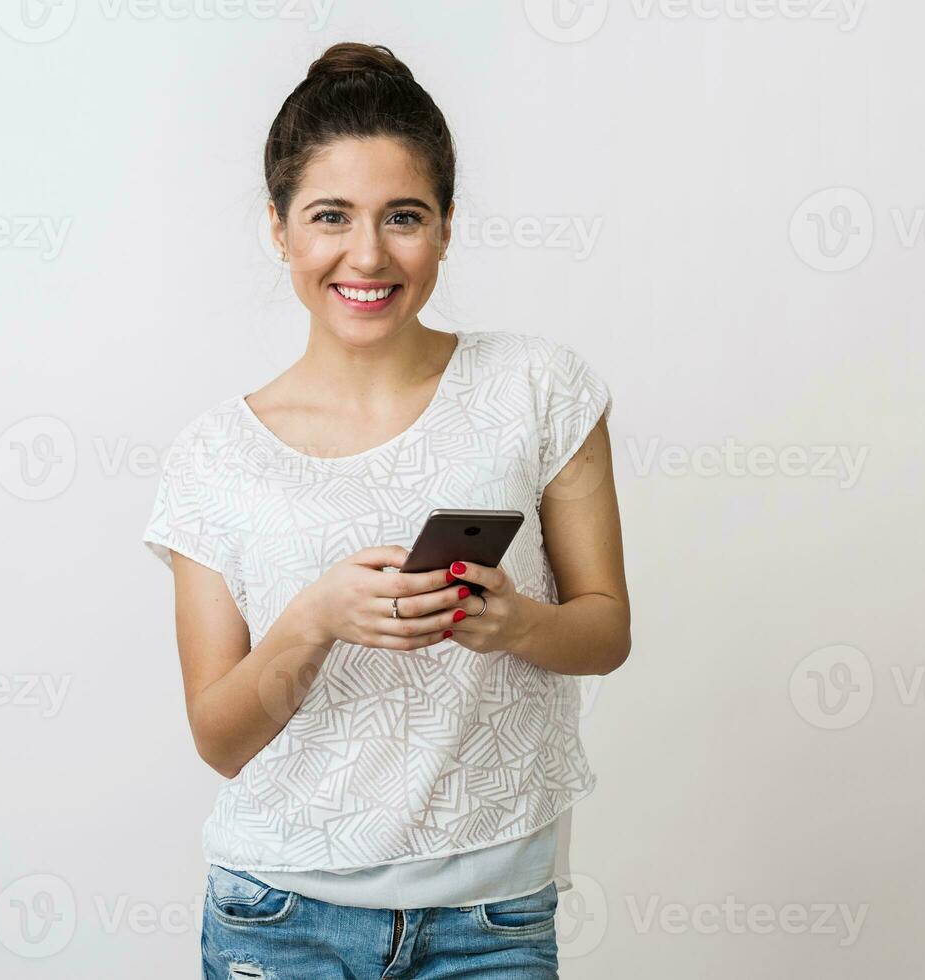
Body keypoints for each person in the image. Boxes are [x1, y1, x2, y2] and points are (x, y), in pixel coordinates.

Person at [142, 40, 632, 979]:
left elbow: (605, 630)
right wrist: (317, 619)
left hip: (490, 917)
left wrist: (515, 623)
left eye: (403, 217)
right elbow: (220, 739)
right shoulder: (214, 455)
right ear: (281, 229)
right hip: (279, 918)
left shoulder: (540, 389)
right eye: (331, 216)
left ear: (446, 227)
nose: (367, 254)